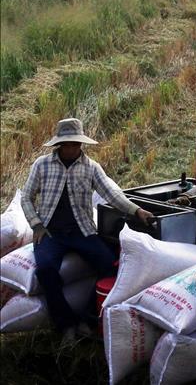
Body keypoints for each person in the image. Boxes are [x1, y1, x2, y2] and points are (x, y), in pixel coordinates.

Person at [21, 118, 154, 344]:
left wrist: (136, 210)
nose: (72, 148)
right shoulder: (42, 165)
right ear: (59, 145)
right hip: (51, 232)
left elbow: (111, 194)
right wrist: (37, 224)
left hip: (82, 230)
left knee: (111, 266)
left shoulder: (91, 167)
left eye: (76, 144)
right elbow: (26, 197)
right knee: (45, 271)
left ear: (81, 144)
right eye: (67, 144)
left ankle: (87, 319)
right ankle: (66, 324)